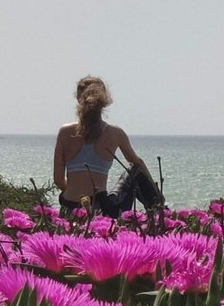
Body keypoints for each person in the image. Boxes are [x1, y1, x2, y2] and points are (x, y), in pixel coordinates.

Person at [53, 75, 164, 218]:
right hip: (99, 209)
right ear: (104, 101)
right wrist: (156, 192)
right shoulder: (115, 133)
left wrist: (79, 198)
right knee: (135, 169)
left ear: (78, 99)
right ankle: (159, 211)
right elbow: (138, 164)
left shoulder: (64, 132)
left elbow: (58, 180)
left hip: (69, 207)